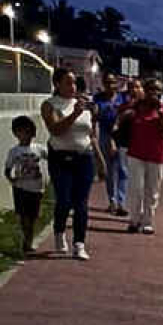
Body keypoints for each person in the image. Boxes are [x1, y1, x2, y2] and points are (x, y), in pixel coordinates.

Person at [41, 67, 106, 260]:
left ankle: (79, 243)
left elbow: (91, 134)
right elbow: (56, 130)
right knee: (64, 199)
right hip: (60, 158)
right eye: (68, 82)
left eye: (74, 83)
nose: (72, 86)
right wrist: (74, 115)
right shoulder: (50, 105)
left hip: (83, 157)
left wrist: (100, 160)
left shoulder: (83, 104)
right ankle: (59, 232)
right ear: (57, 84)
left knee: (81, 203)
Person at [117, 79, 163, 235]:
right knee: (135, 188)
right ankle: (134, 220)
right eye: (150, 89)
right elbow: (121, 117)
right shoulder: (136, 107)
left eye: (157, 90)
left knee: (152, 191)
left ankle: (148, 221)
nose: (153, 93)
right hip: (136, 153)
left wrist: (161, 113)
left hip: (156, 155)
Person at [5, 116, 49, 253]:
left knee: (33, 216)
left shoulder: (39, 149)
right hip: (20, 188)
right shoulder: (14, 152)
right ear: (16, 134)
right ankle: (27, 242)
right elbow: (7, 170)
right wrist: (12, 180)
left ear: (33, 133)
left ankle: (29, 238)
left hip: (36, 188)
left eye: (29, 132)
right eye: (22, 132)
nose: (26, 136)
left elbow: (52, 159)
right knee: (23, 216)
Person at [92, 72, 129, 216]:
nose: (110, 85)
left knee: (122, 170)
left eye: (112, 82)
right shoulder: (98, 98)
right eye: (107, 82)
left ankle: (121, 202)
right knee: (109, 170)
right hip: (105, 135)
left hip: (121, 136)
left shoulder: (122, 98)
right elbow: (94, 117)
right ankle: (112, 200)